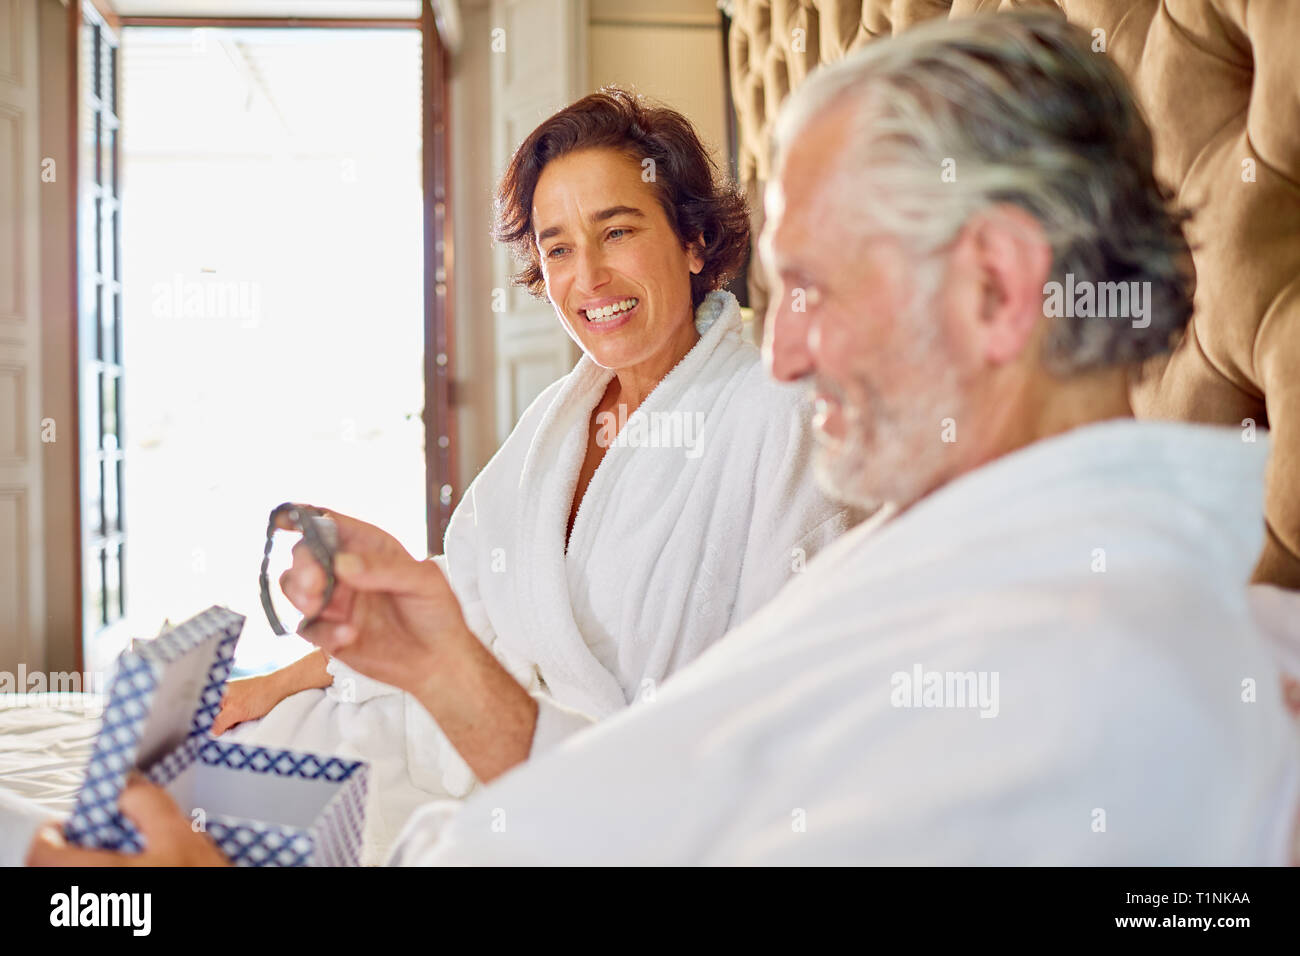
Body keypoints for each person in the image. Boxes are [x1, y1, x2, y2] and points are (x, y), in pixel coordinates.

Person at [27, 10, 1299, 867]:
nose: (785, 346)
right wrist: (444, 659)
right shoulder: (945, 567)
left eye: (816, 283)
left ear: (999, 285)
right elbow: (679, 798)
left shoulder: (1082, 688)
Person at [163, 88, 845, 862]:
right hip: (439, 737)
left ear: (693, 241)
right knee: (187, 787)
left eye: (616, 231)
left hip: (587, 805)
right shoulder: (556, 420)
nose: (586, 278)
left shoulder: (779, 419)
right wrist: (272, 684)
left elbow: (784, 714)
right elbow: (462, 593)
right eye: (557, 249)